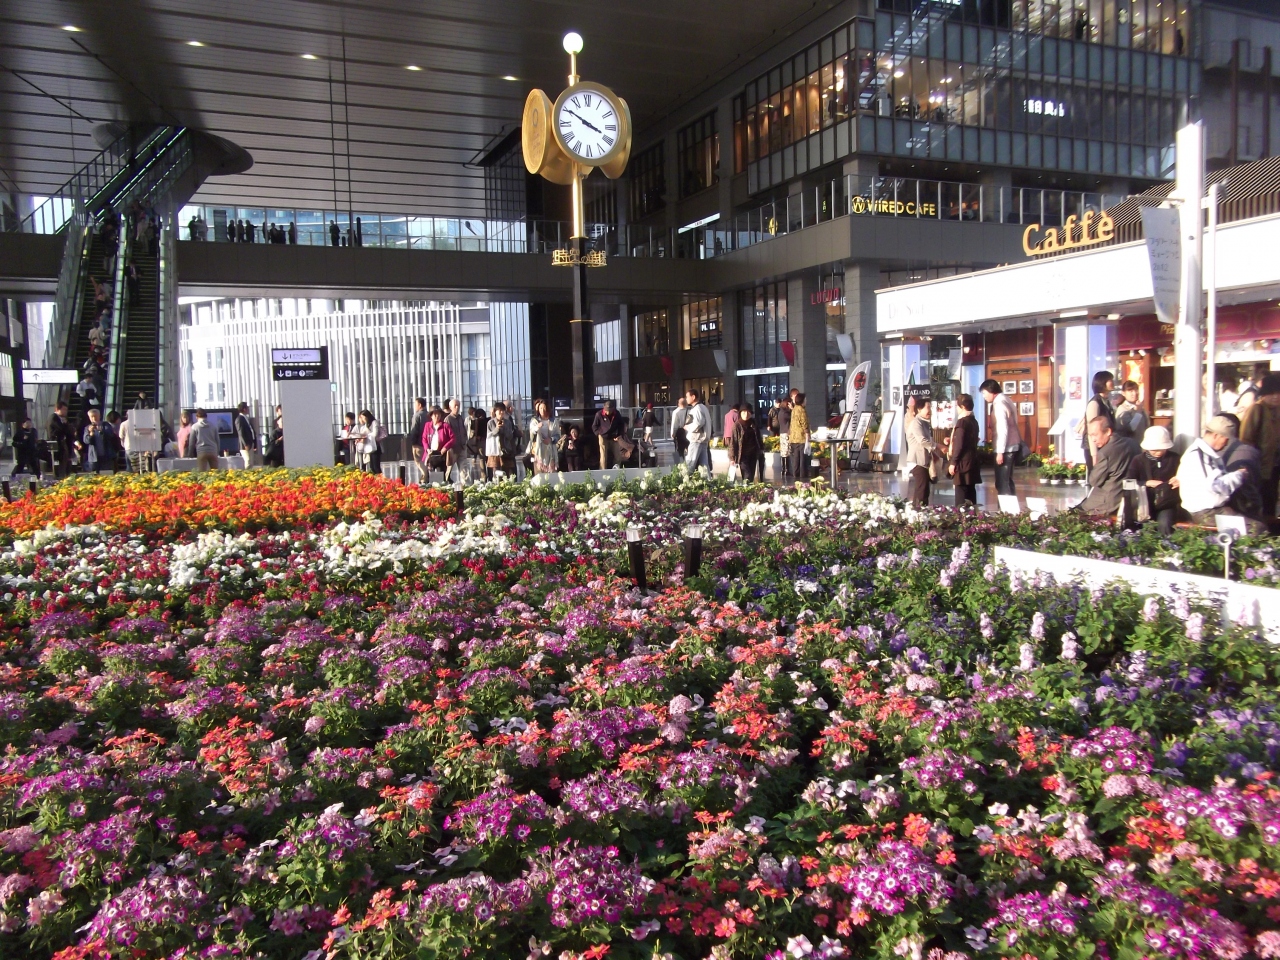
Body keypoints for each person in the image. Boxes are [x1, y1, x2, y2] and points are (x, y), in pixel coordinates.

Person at [1173, 416, 1263, 532]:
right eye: (1226, 439)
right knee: (1257, 528)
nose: (1226, 444)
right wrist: (1239, 475)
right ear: (1216, 435)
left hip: (1209, 510)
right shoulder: (1199, 456)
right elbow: (1216, 487)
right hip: (1207, 512)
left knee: (1253, 519)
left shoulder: (1198, 452)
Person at [1075, 417, 1140, 517]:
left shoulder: (1105, 453)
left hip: (1107, 502)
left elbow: (1094, 481)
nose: (1093, 439)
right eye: (1090, 435)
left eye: (1095, 435)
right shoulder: (1133, 444)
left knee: (1071, 515)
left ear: (1108, 431)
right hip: (1131, 496)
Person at [1127, 426, 1181, 535]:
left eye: (1162, 449)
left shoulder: (1174, 459)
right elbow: (1127, 483)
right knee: (1144, 528)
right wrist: (1146, 483)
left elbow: (1187, 477)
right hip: (1145, 503)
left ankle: (1166, 543)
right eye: (1154, 450)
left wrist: (1179, 480)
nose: (1158, 453)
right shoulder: (1138, 460)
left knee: (1165, 523)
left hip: (1167, 503)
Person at [1240, 372, 1280, 518]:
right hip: (1259, 465)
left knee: (1271, 501)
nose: (1276, 396)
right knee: (1259, 501)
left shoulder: (1277, 410)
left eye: (1278, 393)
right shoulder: (1257, 409)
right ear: (1264, 394)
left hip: (1274, 465)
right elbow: (1246, 438)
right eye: (1271, 393)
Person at [980, 379, 1023, 495]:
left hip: (1006, 448)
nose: (984, 396)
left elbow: (1002, 428)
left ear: (991, 391)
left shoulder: (999, 404)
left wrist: (1000, 452)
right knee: (1007, 480)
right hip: (1011, 445)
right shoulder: (1006, 399)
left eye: (984, 393)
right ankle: (1010, 505)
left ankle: (1006, 506)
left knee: (1002, 483)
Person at [1077, 371, 1116, 475]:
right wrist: (1094, 455)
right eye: (1110, 380)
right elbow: (1092, 431)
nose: (1113, 382)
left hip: (1104, 446)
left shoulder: (1106, 401)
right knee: (1097, 477)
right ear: (1102, 382)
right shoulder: (1095, 403)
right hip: (1094, 448)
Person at [903, 398, 939, 506]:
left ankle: (919, 509)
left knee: (924, 489)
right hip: (917, 461)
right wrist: (937, 446)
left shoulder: (924, 423)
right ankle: (919, 511)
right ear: (919, 409)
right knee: (922, 489)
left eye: (930, 408)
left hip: (923, 460)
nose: (930, 411)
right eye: (927, 408)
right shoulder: (916, 422)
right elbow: (922, 440)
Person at [948, 393, 981, 506]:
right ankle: (972, 515)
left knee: (961, 495)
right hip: (972, 462)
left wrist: (953, 463)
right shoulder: (973, 421)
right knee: (971, 493)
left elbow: (959, 444)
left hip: (962, 463)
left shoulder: (962, 422)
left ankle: (961, 515)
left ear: (962, 406)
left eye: (957, 406)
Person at [729, 404, 764, 482]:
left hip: (753, 454)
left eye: (748, 412)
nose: (746, 414)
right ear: (740, 413)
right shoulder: (737, 425)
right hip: (742, 455)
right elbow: (733, 442)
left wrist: (761, 448)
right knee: (747, 475)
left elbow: (758, 437)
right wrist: (732, 457)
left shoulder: (753, 423)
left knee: (751, 476)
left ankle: (749, 489)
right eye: (744, 412)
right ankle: (746, 488)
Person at [485, 402, 520, 477]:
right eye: (499, 410)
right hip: (495, 451)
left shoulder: (508, 422)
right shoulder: (490, 423)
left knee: (506, 473)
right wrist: (497, 428)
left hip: (506, 450)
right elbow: (489, 436)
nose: (501, 412)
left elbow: (510, 436)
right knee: (496, 473)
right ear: (495, 412)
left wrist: (504, 429)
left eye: (503, 410)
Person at [421, 407, 454, 481]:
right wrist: (427, 449)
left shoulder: (445, 426)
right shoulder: (427, 425)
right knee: (430, 476)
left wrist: (445, 447)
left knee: (441, 475)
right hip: (430, 453)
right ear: (431, 416)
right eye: (435, 414)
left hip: (441, 454)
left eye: (439, 414)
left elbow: (452, 438)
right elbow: (424, 439)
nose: (437, 416)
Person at [684, 389, 713, 473]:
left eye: (687, 396)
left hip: (696, 439)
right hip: (703, 439)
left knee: (690, 464)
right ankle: (707, 480)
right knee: (704, 466)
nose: (686, 399)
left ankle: (686, 480)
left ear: (693, 397)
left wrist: (688, 427)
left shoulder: (697, 408)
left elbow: (699, 423)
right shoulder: (703, 407)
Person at [592, 399, 625, 469]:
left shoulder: (616, 413)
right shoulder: (599, 414)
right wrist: (598, 433)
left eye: (609, 411)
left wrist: (619, 434)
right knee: (603, 455)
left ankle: (616, 469)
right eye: (606, 410)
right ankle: (603, 471)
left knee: (617, 455)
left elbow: (621, 425)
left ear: (613, 409)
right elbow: (594, 426)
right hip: (602, 436)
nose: (608, 412)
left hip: (614, 436)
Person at [528, 399, 558, 475]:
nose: (542, 410)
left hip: (550, 450)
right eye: (540, 408)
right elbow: (532, 432)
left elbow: (557, 435)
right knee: (539, 474)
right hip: (538, 450)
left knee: (551, 474)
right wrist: (537, 427)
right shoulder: (535, 420)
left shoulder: (554, 421)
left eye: (544, 408)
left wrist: (551, 439)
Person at [788, 392, 811, 482]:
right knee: (802, 458)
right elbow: (804, 423)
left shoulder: (794, 409)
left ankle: (796, 474)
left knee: (796, 458)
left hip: (793, 437)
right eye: (805, 399)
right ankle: (803, 475)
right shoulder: (801, 410)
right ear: (802, 400)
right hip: (801, 437)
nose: (806, 401)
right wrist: (807, 434)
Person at [47, 402, 74, 478]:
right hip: (57, 443)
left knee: (65, 462)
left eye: (66, 410)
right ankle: (60, 477)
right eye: (63, 409)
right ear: (57, 409)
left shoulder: (61, 419)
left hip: (62, 443)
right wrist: (65, 425)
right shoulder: (54, 418)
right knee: (60, 464)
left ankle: (64, 475)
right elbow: (61, 429)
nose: (65, 411)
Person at [445, 398, 468, 481]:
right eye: (455, 406)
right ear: (450, 407)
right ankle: (445, 482)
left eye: (458, 405)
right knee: (449, 468)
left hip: (462, 447)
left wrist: (465, 441)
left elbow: (464, 431)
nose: (457, 407)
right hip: (453, 449)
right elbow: (446, 435)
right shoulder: (448, 419)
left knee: (463, 469)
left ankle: (465, 485)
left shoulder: (460, 418)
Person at [407, 397, 429, 476]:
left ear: (419, 405)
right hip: (428, 442)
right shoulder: (429, 415)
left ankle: (425, 475)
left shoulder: (417, 415)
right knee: (426, 460)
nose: (414, 406)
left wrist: (413, 442)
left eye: (415, 404)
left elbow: (414, 430)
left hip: (419, 442)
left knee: (419, 460)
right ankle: (425, 475)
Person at [233, 402, 257, 468]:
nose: (248, 409)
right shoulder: (239, 419)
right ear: (244, 409)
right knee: (248, 460)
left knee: (251, 461)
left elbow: (251, 430)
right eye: (247, 408)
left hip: (250, 443)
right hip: (245, 445)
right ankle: (247, 473)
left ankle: (250, 473)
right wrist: (245, 444)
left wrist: (254, 443)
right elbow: (241, 432)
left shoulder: (246, 418)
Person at [777, 398, 793, 478]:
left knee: (783, 452)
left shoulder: (780, 412)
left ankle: (783, 469)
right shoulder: (786, 413)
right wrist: (792, 409)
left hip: (782, 433)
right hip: (786, 433)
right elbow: (793, 417)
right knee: (786, 452)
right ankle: (786, 470)